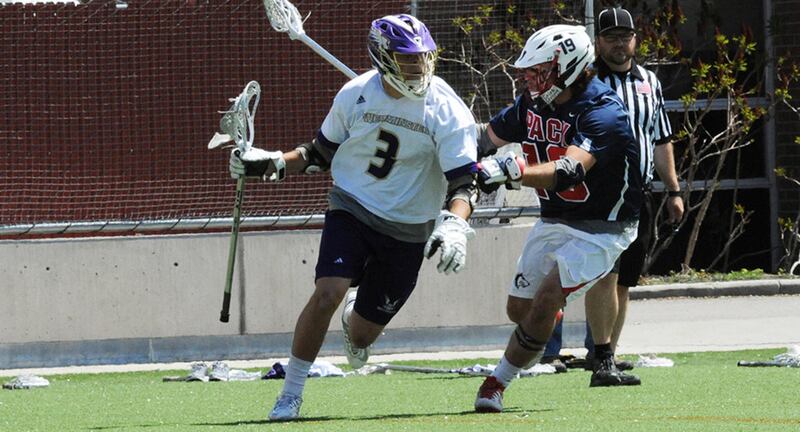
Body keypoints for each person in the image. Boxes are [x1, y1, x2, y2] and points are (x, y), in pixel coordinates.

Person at [229, 14, 479, 421]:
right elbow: (318, 154)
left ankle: (354, 314)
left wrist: (455, 225)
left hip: (408, 228)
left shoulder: (447, 108)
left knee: (362, 335)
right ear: (382, 57)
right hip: (353, 207)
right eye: (406, 59)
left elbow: (465, 182)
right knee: (327, 290)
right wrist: (270, 163)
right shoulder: (355, 94)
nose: (418, 68)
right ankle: (290, 393)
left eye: (422, 58)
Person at [471, 24, 643, 413]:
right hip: (555, 218)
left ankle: (496, 383)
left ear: (569, 67)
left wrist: (512, 169)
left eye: (540, 70)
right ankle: (550, 311)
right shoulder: (531, 105)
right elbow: (485, 138)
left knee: (546, 297)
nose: (531, 79)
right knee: (521, 311)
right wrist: (449, 142)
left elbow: (568, 170)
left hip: (605, 227)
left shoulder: (604, 110)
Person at [540, 7, 684, 375]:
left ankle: (604, 354)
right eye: (611, 37)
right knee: (570, 274)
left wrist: (673, 190)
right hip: (591, 192)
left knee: (622, 279)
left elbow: (661, 138)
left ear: (635, 39)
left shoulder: (649, 81)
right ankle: (547, 349)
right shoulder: (583, 82)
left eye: (626, 36)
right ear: (598, 42)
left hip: (636, 192)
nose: (620, 44)